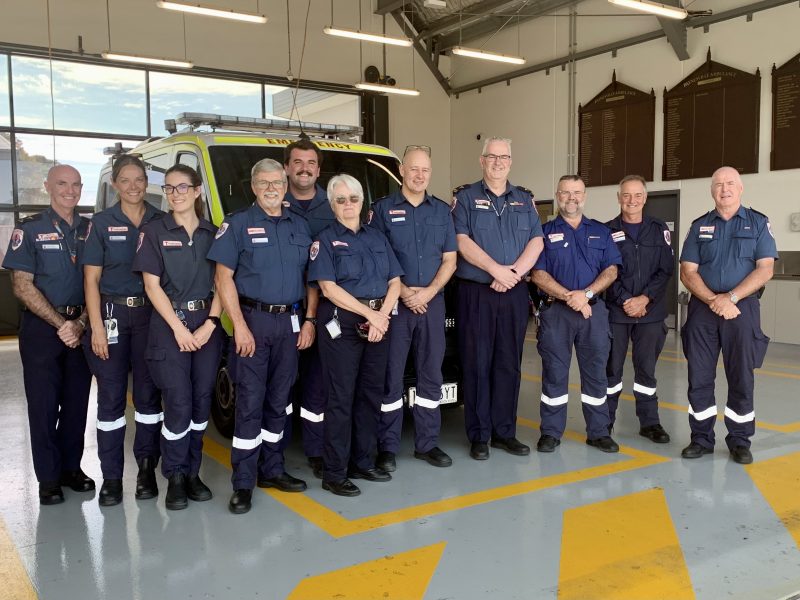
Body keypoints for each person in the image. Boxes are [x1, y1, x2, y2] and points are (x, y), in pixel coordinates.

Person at [209, 158, 313, 515]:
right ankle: (243, 482)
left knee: (280, 401)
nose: (272, 188)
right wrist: (238, 325)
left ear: (285, 185)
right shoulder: (237, 224)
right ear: (253, 187)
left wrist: (309, 319)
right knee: (250, 403)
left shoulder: (299, 226)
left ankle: (273, 469)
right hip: (252, 322)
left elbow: (309, 279)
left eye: (277, 183)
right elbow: (223, 278)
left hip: (290, 323)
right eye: (264, 183)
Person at [132, 164, 224, 510]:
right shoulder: (154, 232)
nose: (176, 194)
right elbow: (151, 286)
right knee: (179, 402)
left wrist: (211, 322)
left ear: (197, 191)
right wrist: (179, 328)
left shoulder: (214, 233)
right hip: (170, 326)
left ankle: (192, 473)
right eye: (169, 188)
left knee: (201, 403)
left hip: (207, 326)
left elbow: (222, 284)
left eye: (183, 187)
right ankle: (174, 475)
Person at [3, 164, 94, 505]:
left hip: (81, 327)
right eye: (61, 184)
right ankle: (48, 478)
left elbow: (96, 282)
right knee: (43, 405)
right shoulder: (30, 230)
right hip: (43, 330)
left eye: (75, 185)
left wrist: (81, 323)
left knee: (76, 404)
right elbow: (21, 286)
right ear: (47, 187)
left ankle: (72, 468)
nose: (69, 191)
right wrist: (62, 325)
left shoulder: (90, 229)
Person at [308, 174, 403, 497]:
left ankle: (363, 461)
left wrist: (382, 317)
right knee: (341, 398)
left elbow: (395, 281)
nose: (348, 205)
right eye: (341, 199)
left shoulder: (377, 237)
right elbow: (328, 288)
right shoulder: (324, 240)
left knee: (369, 395)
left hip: (378, 324)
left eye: (353, 199)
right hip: (344, 325)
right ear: (332, 204)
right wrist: (371, 315)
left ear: (363, 202)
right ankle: (335, 472)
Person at [452, 137, 543, 460]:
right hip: (477, 291)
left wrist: (514, 273)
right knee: (476, 362)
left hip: (514, 291)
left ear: (511, 161)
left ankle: (505, 432)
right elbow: (461, 240)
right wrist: (495, 270)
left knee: (509, 363)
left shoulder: (523, 200)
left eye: (503, 156)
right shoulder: (465, 198)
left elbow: (536, 241)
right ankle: (479, 435)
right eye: (492, 156)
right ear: (481, 160)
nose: (498, 162)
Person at [679, 166, 777, 465]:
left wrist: (731, 298)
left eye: (730, 183)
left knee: (741, 377)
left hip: (741, 308)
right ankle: (701, 438)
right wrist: (713, 299)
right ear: (712, 190)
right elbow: (687, 271)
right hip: (703, 308)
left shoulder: (758, 223)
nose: (724, 189)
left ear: (741, 188)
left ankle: (739, 440)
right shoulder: (699, 226)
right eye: (719, 184)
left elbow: (765, 269)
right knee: (699, 376)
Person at [81, 155, 164, 506]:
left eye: (139, 180)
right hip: (112, 314)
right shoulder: (100, 223)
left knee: (148, 398)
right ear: (115, 184)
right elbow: (91, 279)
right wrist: (96, 327)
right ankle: (112, 478)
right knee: (111, 401)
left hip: (151, 317)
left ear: (147, 182)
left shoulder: (161, 220)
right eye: (126, 180)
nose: (133, 186)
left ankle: (146, 471)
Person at [370, 145, 456, 471]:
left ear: (430, 174)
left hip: (432, 304)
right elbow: (377, 256)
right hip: (396, 304)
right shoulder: (382, 210)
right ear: (402, 171)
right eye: (414, 169)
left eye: (425, 170)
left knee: (430, 374)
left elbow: (450, 259)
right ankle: (388, 447)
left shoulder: (441, 212)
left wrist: (430, 292)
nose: (419, 175)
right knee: (391, 376)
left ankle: (427, 443)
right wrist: (405, 292)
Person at [531, 175, 622, 454]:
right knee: (554, 374)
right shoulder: (542, 233)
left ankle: (598, 432)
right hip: (557, 313)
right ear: (558, 195)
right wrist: (570, 297)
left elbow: (612, 270)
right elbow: (538, 274)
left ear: (585, 196)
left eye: (577, 192)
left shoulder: (601, 232)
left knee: (596, 374)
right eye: (566, 193)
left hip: (593, 315)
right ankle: (550, 432)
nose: (572, 198)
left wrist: (587, 295)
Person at [604, 175, 674, 443]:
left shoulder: (659, 229)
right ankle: (605, 422)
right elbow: (607, 273)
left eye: (637, 195)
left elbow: (665, 270)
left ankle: (650, 423)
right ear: (619, 198)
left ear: (645, 198)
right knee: (612, 370)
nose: (631, 200)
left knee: (646, 370)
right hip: (616, 312)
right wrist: (625, 300)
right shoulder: (606, 230)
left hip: (651, 313)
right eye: (626, 195)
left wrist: (644, 299)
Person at [282, 139, 335, 479]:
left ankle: (316, 451)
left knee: (317, 383)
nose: (304, 168)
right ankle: (277, 452)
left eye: (310, 162)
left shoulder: (332, 206)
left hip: (324, 308)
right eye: (297, 162)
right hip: (281, 309)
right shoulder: (271, 203)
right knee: (280, 385)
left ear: (318, 169)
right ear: (287, 167)